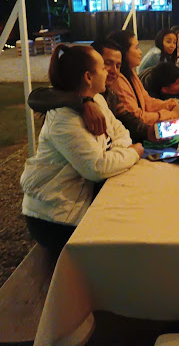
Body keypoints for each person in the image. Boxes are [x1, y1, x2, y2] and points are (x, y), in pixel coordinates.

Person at [20, 44, 144, 256]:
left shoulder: (96, 100)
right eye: (103, 67)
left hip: (82, 200)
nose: (108, 72)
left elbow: (120, 132)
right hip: (55, 218)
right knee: (131, 239)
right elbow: (96, 167)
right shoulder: (63, 118)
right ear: (88, 76)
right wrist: (132, 152)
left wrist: (117, 151)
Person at [28, 39, 156, 143]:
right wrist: (84, 102)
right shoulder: (74, 91)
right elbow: (35, 97)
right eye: (107, 63)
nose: (113, 71)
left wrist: (149, 131)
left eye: (118, 66)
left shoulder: (109, 93)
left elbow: (126, 118)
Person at [109, 30, 179, 125]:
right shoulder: (118, 81)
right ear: (123, 52)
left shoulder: (130, 73)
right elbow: (137, 118)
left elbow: (147, 101)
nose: (140, 52)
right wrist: (173, 114)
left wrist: (172, 106)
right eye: (136, 48)